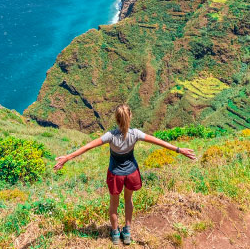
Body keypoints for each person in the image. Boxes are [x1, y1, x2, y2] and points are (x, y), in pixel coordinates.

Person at [53, 104, 196, 245]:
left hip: (115, 174)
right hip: (131, 173)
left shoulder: (110, 136)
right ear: (130, 117)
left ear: (116, 119)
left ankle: (115, 234)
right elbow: (158, 142)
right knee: (128, 201)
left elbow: (87, 147)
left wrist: (67, 157)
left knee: (113, 205)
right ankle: (127, 232)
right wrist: (178, 149)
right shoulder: (136, 134)